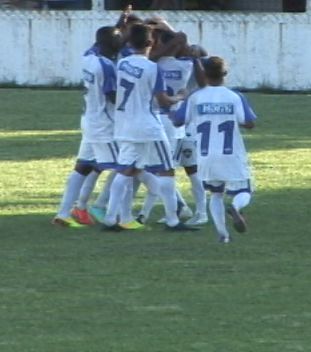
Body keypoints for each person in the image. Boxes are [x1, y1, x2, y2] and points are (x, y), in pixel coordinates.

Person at [101, 24, 198, 232]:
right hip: (148, 126)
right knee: (166, 171)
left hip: (124, 124)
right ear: (150, 42)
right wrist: (180, 96)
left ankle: (110, 219)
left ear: (129, 43)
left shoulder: (122, 63)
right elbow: (163, 101)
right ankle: (172, 220)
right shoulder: (153, 68)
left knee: (124, 171)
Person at [171, 56, 257, 243]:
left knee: (216, 193)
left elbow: (178, 120)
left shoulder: (195, 97)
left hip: (204, 155)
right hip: (230, 152)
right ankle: (235, 206)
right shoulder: (234, 96)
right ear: (225, 73)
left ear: (204, 74)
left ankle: (222, 235)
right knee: (244, 190)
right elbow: (249, 123)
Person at [51, 26, 122, 227]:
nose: (121, 41)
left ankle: (64, 213)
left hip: (89, 120)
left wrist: (119, 23)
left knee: (83, 167)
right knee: (127, 167)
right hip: (104, 124)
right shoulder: (106, 66)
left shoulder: (88, 57)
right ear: (111, 43)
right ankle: (116, 215)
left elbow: (101, 40)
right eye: (118, 38)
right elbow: (112, 96)